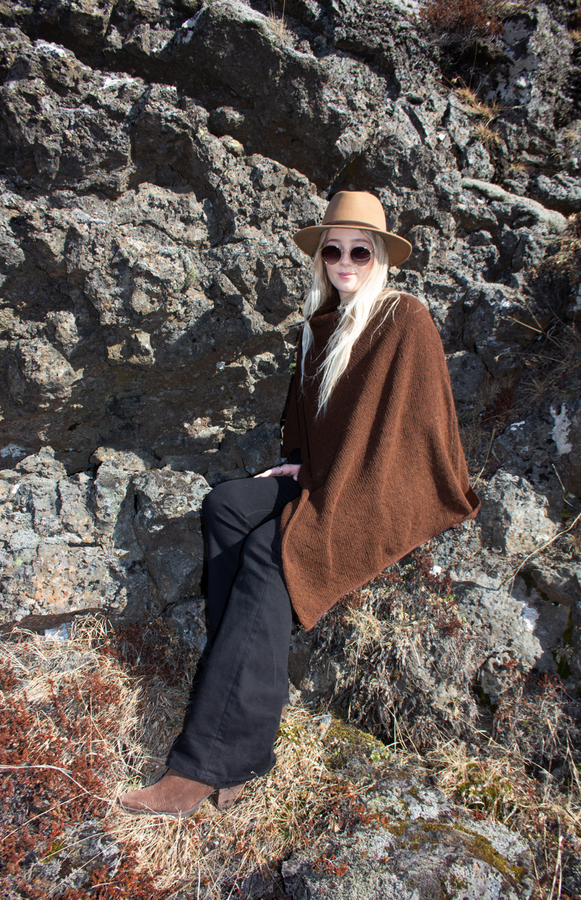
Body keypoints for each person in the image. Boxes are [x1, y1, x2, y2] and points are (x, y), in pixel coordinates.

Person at [118, 191, 479, 817]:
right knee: (228, 507)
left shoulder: (403, 318)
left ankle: (215, 761)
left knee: (274, 551)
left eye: (359, 250)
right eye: (332, 249)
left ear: (379, 258)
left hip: (379, 482)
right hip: (322, 473)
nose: (344, 260)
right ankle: (235, 675)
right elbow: (311, 418)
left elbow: (412, 425)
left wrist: (345, 487)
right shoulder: (319, 327)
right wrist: (298, 461)